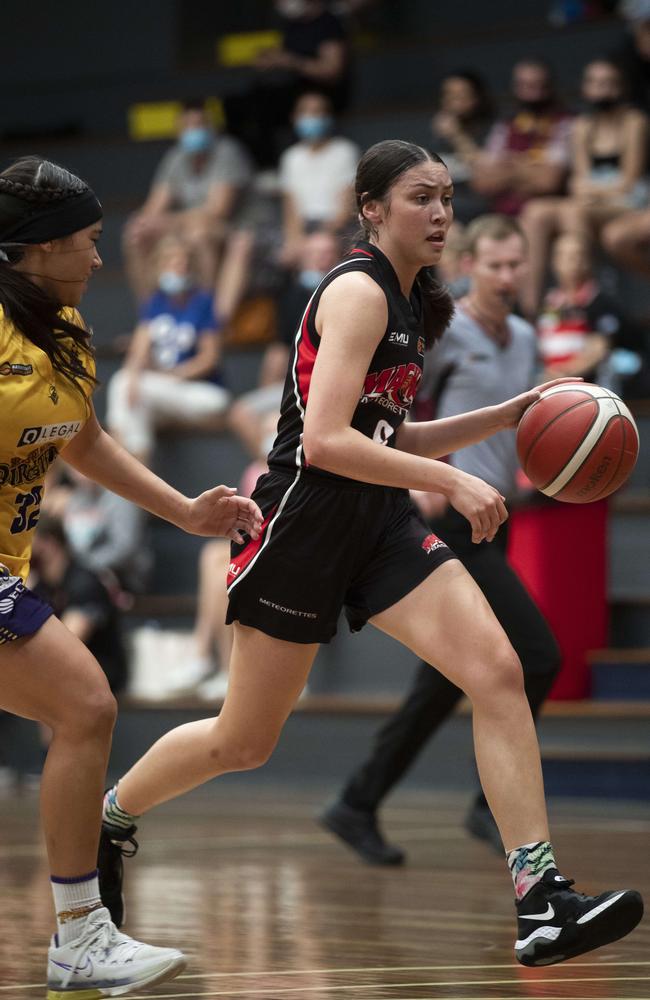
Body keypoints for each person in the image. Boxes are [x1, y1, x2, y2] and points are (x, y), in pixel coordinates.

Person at [97, 140, 643, 969]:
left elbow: (391, 431)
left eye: (449, 199)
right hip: (303, 527)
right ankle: (114, 816)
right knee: (244, 743)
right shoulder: (356, 291)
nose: (441, 214)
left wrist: (500, 419)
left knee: (498, 670)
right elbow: (322, 442)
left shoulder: (413, 299)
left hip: (379, 525)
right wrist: (450, 484)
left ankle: (542, 899)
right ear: (372, 208)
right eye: (423, 197)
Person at [0, 155, 262, 996]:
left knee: (83, 708)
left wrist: (186, 511)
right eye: (88, 241)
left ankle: (80, 937)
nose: (100, 258)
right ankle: (80, 935)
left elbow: (84, 442)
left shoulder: (66, 332)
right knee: (85, 703)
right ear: (35, 250)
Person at [319, 213, 562, 863]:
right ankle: (497, 810)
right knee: (535, 657)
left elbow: (526, 429)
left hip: (495, 515)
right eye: (497, 265)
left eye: (518, 265)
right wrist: (430, 486)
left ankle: (357, 801)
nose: (510, 276)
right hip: (448, 517)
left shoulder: (526, 337)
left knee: (449, 679)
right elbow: (396, 414)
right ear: (471, 267)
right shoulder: (444, 333)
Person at [519, 57, 648, 314]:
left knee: (572, 209)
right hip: (594, 202)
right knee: (536, 211)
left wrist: (593, 190)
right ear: (585, 87)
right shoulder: (581, 126)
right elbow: (578, 181)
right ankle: (529, 309)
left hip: (631, 202)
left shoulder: (634, 121)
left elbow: (629, 182)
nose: (603, 89)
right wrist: (592, 190)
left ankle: (585, 302)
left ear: (621, 87)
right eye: (596, 83)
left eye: (609, 83)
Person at [107, 233, 231, 466]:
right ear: (160, 266)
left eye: (184, 262)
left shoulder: (203, 302)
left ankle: (120, 470)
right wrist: (137, 370)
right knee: (128, 389)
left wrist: (171, 375)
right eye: (173, 262)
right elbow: (139, 352)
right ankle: (135, 478)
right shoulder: (155, 302)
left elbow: (209, 358)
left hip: (201, 393)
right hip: (162, 394)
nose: (180, 268)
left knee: (125, 386)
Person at [122, 99, 252, 300]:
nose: (193, 131)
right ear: (178, 130)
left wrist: (169, 221)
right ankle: (150, 313)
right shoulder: (176, 157)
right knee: (135, 234)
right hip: (188, 224)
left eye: (199, 124)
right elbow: (154, 208)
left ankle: (203, 314)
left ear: (211, 128)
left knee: (198, 234)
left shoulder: (227, 151)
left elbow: (217, 211)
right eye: (188, 126)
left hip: (233, 228)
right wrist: (143, 222)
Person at [30, 515, 129, 695]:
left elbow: (66, 644)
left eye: (28, 542)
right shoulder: (42, 585)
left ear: (49, 543)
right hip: (64, 671)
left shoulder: (84, 582)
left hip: (100, 672)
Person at [472, 58, 572, 219]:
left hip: (547, 213)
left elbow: (548, 182)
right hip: (500, 212)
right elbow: (482, 183)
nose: (532, 93)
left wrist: (510, 166)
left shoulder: (565, 123)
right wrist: (530, 169)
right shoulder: (505, 126)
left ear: (550, 87)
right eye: (524, 85)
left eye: (538, 85)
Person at [279, 91, 359, 263]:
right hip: (304, 225)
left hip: (337, 226)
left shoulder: (344, 151)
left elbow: (346, 205)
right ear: (294, 117)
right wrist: (293, 238)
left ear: (329, 117)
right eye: (306, 112)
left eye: (318, 112)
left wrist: (321, 235)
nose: (312, 117)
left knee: (321, 249)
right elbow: (290, 205)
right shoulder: (291, 157)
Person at [536, 231, 623, 384]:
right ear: (555, 261)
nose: (575, 263)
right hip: (551, 389)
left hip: (588, 390)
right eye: (567, 257)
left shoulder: (599, 302)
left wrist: (562, 375)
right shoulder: (548, 302)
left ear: (589, 261)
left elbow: (598, 349)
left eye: (580, 256)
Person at [429, 70, 494, 224]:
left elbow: (485, 170)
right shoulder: (438, 137)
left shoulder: (492, 131)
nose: (453, 102)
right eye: (448, 95)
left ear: (476, 98)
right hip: (444, 203)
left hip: (476, 205)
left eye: (461, 95)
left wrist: (457, 136)